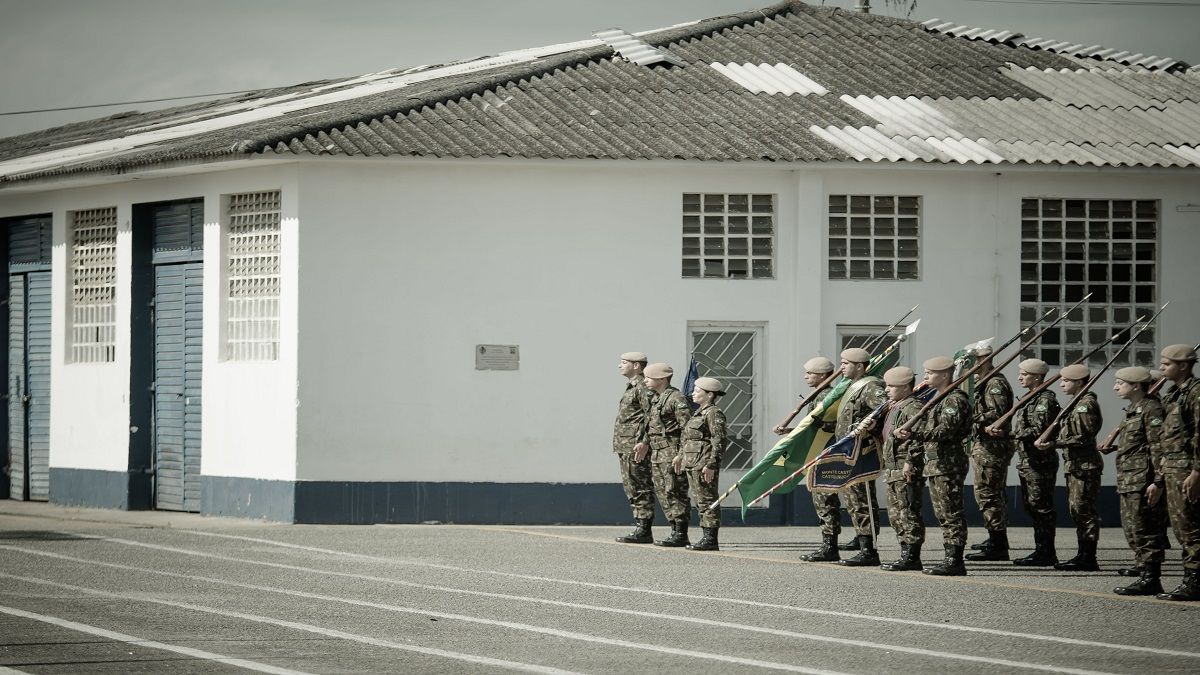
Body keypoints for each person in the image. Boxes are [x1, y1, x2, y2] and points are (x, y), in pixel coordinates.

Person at [897, 356, 971, 576]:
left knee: (951, 512)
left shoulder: (954, 400)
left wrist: (913, 433)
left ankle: (955, 561)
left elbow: (945, 431)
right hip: (936, 463)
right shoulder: (940, 398)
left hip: (948, 463)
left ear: (945, 375)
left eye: (930, 373)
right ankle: (950, 558)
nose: (926, 376)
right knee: (943, 512)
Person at [1035, 364, 1103, 571]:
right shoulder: (1075, 403)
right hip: (1075, 464)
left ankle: (1088, 557)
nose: (1062, 384)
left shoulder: (1085, 405)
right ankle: (1083, 554)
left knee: (1083, 511)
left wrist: (1054, 444)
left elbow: (1083, 437)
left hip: (1085, 465)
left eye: (1066, 381)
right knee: (1077, 510)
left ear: (1080, 382)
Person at [779, 356, 847, 563]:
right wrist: (792, 431)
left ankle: (830, 546)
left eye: (810, 373)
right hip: (818, 452)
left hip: (825, 453)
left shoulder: (828, 396)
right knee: (822, 498)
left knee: (825, 498)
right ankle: (829, 543)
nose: (806, 376)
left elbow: (830, 426)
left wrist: (797, 432)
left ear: (824, 375)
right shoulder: (820, 395)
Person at [995, 358, 1061, 566]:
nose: (1019, 377)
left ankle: (1046, 552)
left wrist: (1009, 433)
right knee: (1032, 506)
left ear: (1037, 377)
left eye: (1024, 374)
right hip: (1028, 461)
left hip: (1040, 461)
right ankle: (1041, 550)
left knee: (1041, 508)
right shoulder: (1030, 398)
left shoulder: (1044, 400)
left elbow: (1038, 429)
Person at [1109, 366, 1169, 595]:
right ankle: (1144, 571)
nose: (1115, 387)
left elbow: (1158, 447)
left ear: (1136, 385)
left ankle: (1151, 578)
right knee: (1134, 528)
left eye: (1120, 383)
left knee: (1147, 529)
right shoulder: (1134, 408)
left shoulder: (1151, 409)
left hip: (1144, 479)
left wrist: (1159, 481)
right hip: (1129, 477)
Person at [829, 348, 885, 567]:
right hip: (849, 451)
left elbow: (884, 410)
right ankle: (863, 543)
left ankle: (869, 550)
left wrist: (871, 427)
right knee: (853, 500)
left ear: (860, 366)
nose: (842, 367)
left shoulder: (871, 386)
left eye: (846, 363)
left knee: (863, 500)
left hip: (862, 453)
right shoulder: (850, 387)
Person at [1154, 344, 1200, 601]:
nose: (1162, 367)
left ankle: (1194, 581)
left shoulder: (1195, 393)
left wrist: (1196, 472)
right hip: (1172, 466)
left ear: (1183, 366)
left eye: (1167, 363)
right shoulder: (1172, 394)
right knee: (1181, 527)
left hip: (1187, 468)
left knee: (1190, 527)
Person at [965, 345, 1016, 562]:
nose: (969, 365)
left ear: (984, 360)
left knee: (989, 494)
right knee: (987, 493)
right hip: (984, 445)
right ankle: (995, 538)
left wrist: (967, 412)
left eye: (973, 360)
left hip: (992, 447)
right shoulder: (983, 382)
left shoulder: (995, 383)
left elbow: (996, 413)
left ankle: (998, 544)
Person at [878, 366, 927, 571]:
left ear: (905, 387)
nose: (887, 390)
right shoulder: (895, 406)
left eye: (891, 386)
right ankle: (904, 551)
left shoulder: (912, 407)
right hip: (892, 467)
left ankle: (912, 556)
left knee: (908, 511)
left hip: (904, 467)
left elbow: (919, 437)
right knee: (896, 513)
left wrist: (911, 461)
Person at [643, 362, 694, 548]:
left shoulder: (676, 398)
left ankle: (681, 533)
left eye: (649, 378)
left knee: (675, 490)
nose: (646, 381)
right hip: (658, 452)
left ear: (662, 379)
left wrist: (681, 454)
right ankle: (674, 529)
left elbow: (687, 428)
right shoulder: (657, 398)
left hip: (671, 451)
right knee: (662, 491)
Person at [676, 376, 727, 551]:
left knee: (707, 500)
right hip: (692, 462)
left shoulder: (713, 413)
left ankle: (710, 539)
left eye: (697, 391)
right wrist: (680, 456)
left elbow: (718, 440)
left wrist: (712, 464)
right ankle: (706, 537)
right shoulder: (699, 412)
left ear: (710, 394)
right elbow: (689, 438)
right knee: (699, 500)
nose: (693, 393)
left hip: (704, 463)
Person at [614, 352, 656, 544]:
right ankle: (640, 525)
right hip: (626, 444)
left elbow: (652, 415)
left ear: (637, 366)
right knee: (631, 485)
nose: (619, 366)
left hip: (636, 445)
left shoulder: (642, 387)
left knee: (639, 486)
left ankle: (644, 529)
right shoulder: (632, 386)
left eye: (624, 363)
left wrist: (645, 441)